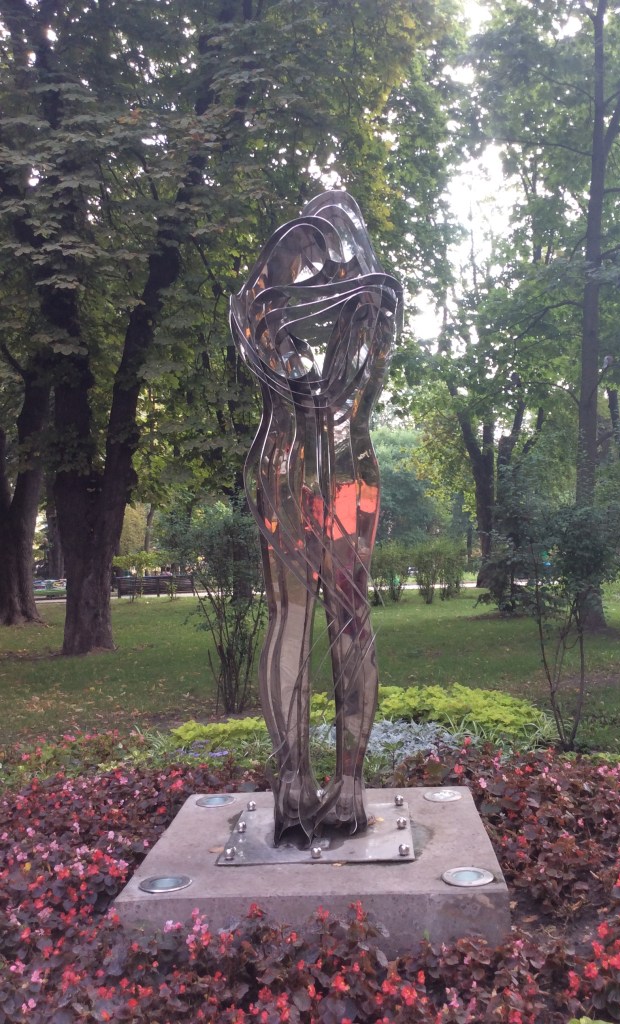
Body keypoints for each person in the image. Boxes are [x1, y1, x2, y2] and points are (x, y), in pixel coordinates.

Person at [230, 192, 403, 843]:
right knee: (307, 615)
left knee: (331, 616)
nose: (312, 260)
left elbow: (326, 381)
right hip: (299, 471)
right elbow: (277, 352)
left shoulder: (350, 304)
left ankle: (336, 784)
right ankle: (301, 783)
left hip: (330, 474)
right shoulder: (350, 302)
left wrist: (287, 309)